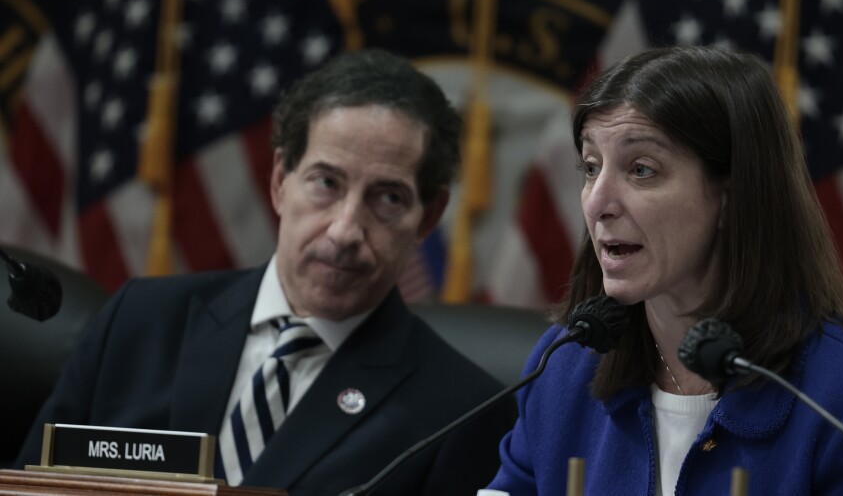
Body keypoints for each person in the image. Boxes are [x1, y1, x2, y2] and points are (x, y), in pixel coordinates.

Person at [16, 49, 516, 496]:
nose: (345, 230)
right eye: (326, 182)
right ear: (281, 181)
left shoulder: (459, 413)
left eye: (388, 198)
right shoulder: (139, 322)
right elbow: (31, 488)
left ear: (427, 219)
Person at [484, 46, 843, 495]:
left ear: (731, 197)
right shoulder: (564, 366)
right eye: (591, 167)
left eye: (641, 170)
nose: (596, 202)